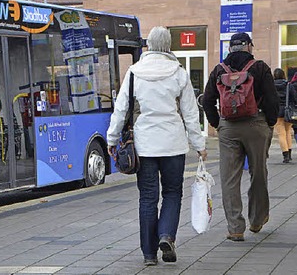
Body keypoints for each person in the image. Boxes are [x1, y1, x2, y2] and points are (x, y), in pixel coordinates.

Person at [107, 26, 207, 266]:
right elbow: (191, 114)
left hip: (144, 146)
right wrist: (199, 144)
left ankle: (149, 253)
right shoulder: (179, 73)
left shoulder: (133, 73)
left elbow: (121, 110)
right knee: (173, 192)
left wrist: (111, 139)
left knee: (148, 198)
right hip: (173, 144)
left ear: (148, 45)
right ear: (169, 45)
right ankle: (166, 235)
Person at [202, 32, 279, 242]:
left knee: (229, 179)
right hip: (256, 125)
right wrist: (269, 123)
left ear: (230, 48)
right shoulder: (260, 67)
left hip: (228, 128)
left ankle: (235, 228)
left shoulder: (219, 70)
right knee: (259, 173)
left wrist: (217, 124)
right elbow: (272, 100)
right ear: (249, 47)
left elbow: (207, 100)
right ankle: (257, 219)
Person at [273, 68, 297, 163]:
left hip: (277, 111)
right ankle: (289, 153)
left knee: (281, 134)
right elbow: (295, 97)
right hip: (288, 110)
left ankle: (285, 155)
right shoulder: (289, 85)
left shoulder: (271, 86)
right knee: (288, 131)